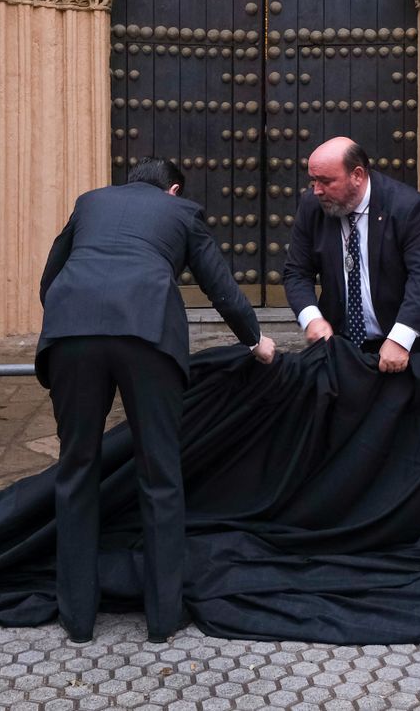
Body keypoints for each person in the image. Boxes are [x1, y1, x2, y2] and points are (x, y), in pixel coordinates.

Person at [37, 157, 277, 644]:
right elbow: (218, 285)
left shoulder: (90, 202)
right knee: (160, 474)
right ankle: (163, 617)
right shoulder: (182, 212)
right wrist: (255, 340)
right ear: (173, 190)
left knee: (77, 468)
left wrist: (78, 316)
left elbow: (49, 279)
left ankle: (77, 618)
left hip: (71, 333)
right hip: (146, 334)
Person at [282, 137, 420, 370]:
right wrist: (312, 319)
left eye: (326, 181)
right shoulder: (312, 205)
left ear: (357, 175)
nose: (317, 190)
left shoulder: (408, 207)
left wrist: (400, 339)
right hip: (342, 344)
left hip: (410, 345)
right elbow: (297, 272)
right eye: (314, 180)